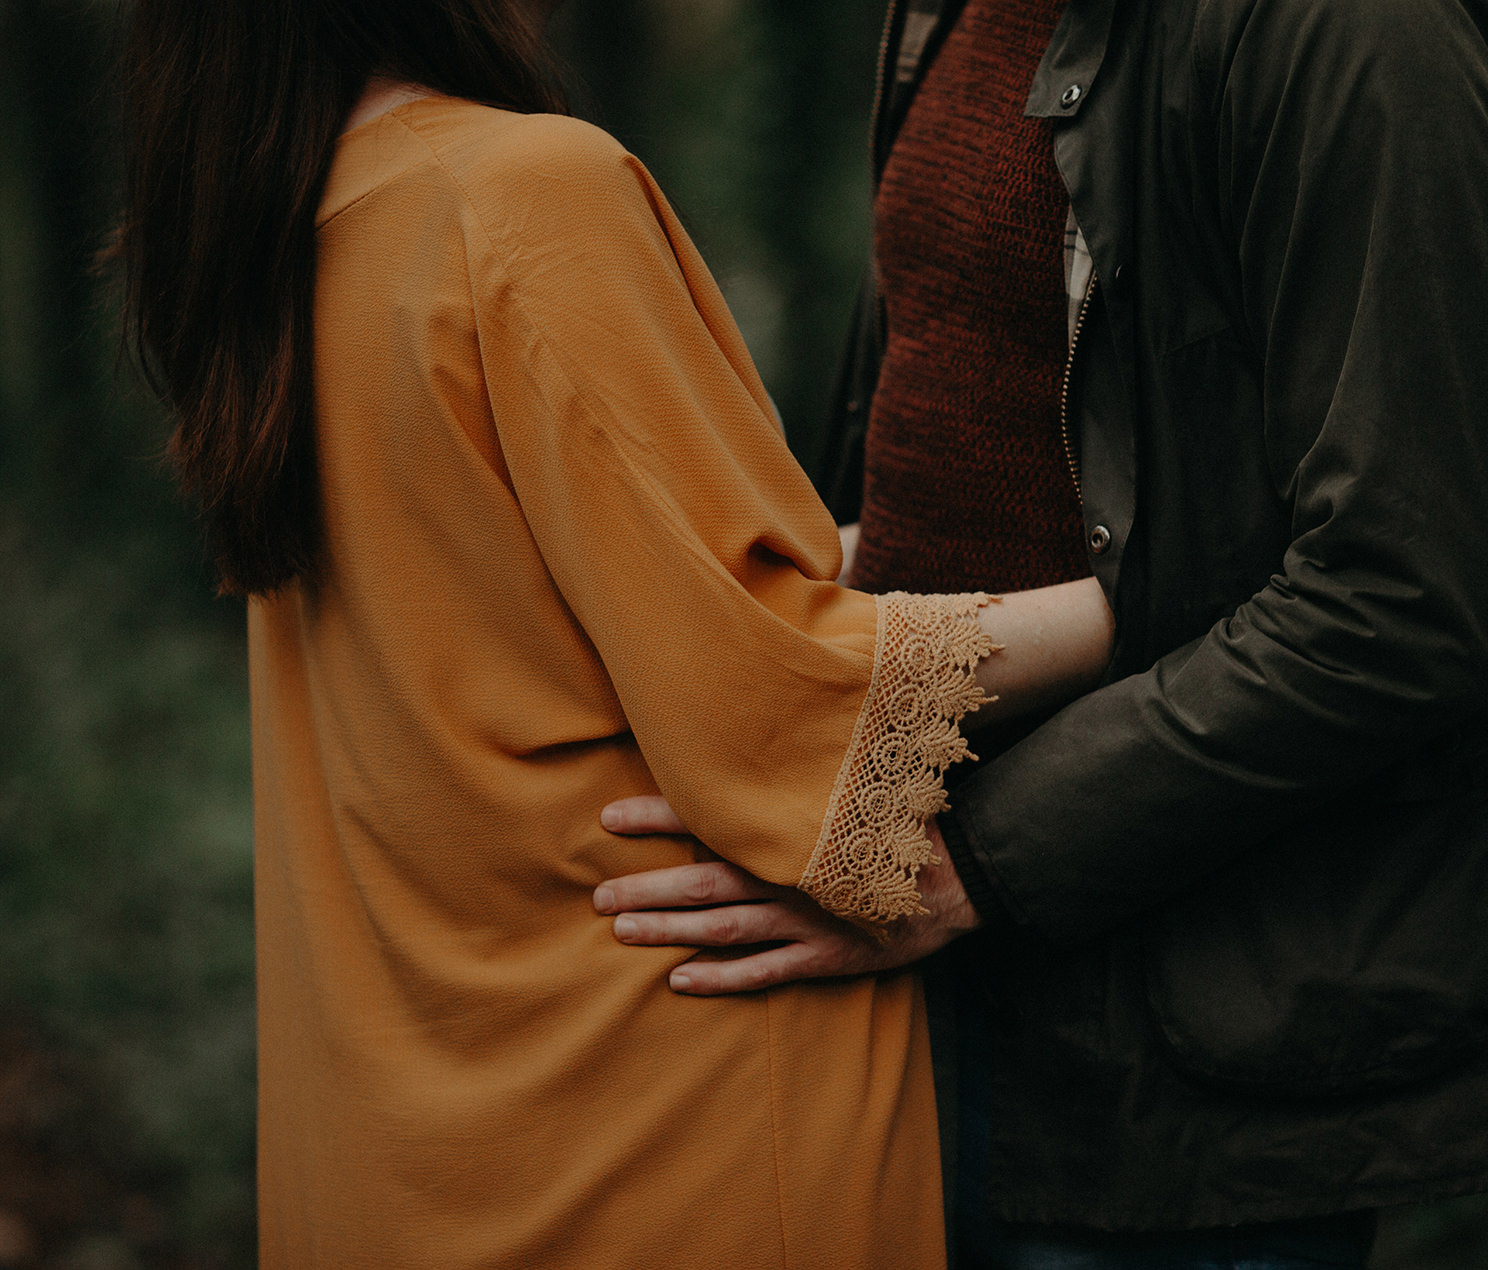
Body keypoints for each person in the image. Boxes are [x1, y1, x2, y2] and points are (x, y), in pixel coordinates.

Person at [592, 0, 1488, 1264]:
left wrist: (967, 867)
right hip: (907, 993)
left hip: (1188, 1056)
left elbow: (1406, 594)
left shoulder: (1359, 31)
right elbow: (953, 454)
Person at [113, 1, 1121, 1265]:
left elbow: (586, 611)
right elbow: (774, 686)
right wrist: (1142, 603)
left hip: (402, 1146)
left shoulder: (274, 237)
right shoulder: (524, 192)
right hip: (665, 1120)